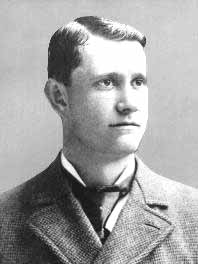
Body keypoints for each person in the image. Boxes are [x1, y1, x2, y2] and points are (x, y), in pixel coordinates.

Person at [0, 16, 198, 264]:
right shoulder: (5, 219)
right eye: (107, 82)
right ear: (59, 97)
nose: (129, 104)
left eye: (138, 82)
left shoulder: (193, 217)